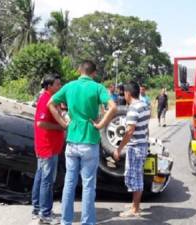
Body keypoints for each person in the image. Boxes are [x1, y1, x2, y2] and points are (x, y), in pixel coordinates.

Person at [48, 60, 117, 225]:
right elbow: (113, 107)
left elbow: (51, 103)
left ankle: (66, 221)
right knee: (88, 186)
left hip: (71, 142)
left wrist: (63, 123)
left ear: (80, 70)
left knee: (69, 184)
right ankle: (87, 222)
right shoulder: (98, 87)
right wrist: (101, 124)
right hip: (89, 142)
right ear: (93, 73)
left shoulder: (69, 86)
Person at [113, 81, 151, 217]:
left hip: (135, 147)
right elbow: (145, 127)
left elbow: (129, 132)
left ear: (128, 93)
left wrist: (118, 149)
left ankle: (135, 208)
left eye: (124, 93)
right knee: (136, 175)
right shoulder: (145, 105)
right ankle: (135, 204)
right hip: (142, 144)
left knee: (135, 177)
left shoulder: (133, 108)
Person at [32, 74, 65, 225]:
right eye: (57, 84)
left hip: (49, 147)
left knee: (40, 178)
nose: (60, 87)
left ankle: (37, 209)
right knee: (46, 181)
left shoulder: (52, 99)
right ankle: (45, 214)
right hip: (47, 147)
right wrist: (60, 127)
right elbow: (40, 123)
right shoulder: (45, 99)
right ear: (49, 86)